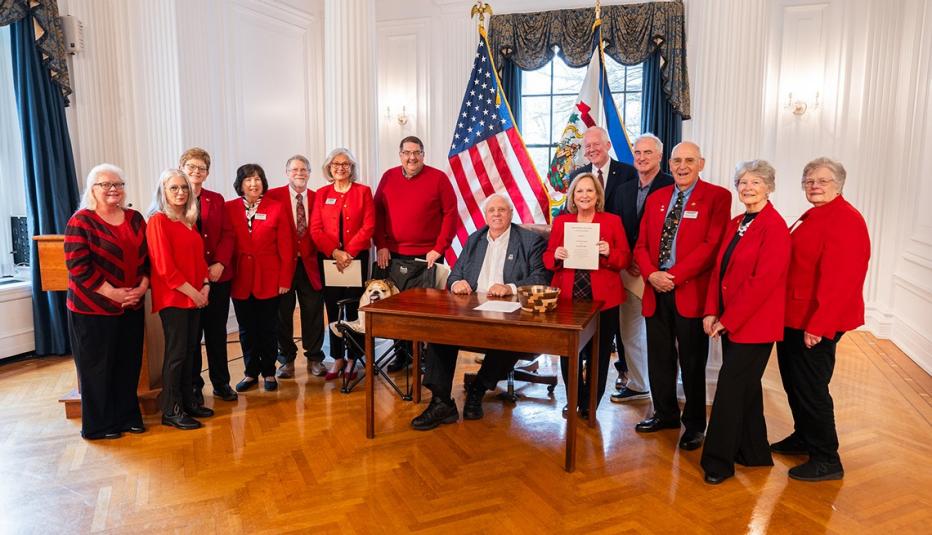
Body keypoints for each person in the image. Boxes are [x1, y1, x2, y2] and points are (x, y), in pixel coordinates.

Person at [411, 195, 550, 430]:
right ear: (486, 216)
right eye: (492, 211)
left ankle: (478, 387)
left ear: (511, 214)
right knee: (440, 332)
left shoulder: (529, 241)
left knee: (511, 339)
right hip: (472, 311)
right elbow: (454, 275)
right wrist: (456, 284)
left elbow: (541, 278)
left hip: (511, 313)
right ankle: (441, 402)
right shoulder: (475, 239)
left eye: (502, 210)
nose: (496, 214)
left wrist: (509, 288)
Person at [772, 157, 870, 482]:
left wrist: (819, 325)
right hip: (793, 315)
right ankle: (804, 437)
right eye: (809, 180)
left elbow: (841, 280)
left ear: (838, 184)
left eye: (822, 181)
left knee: (811, 387)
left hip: (814, 321)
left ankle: (827, 458)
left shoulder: (845, 219)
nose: (814, 185)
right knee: (794, 383)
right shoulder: (813, 214)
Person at [632, 141, 731, 452]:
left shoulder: (717, 196)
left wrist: (672, 277)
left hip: (689, 291)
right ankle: (665, 414)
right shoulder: (658, 197)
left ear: (701, 163)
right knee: (659, 358)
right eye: (677, 161)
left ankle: (695, 425)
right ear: (669, 164)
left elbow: (711, 246)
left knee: (691, 362)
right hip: (654, 289)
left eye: (689, 160)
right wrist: (651, 274)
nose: (682, 166)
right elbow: (641, 245)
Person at [699, 160, 791, 484]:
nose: (748, 187)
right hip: (729, 320)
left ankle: (717, 462)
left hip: (755, 325)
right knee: (746, 388)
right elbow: (718, 270)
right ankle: (754, 453)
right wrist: (711, 310)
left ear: (769, 187)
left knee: (730, 390)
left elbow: (763, 282)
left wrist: (728, 318)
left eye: (755, 182)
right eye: (743, 182)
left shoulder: (775, 226)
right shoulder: (738, 221)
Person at [64, 164, 149, 440]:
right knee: (96, 367)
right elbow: (78, 266)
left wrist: (142, 288)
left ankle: (127, 416)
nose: (113, 189)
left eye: (118, 184)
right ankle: (99, 425)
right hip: (93, 309)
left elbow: (149, 259)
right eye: (105, 184)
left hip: (131, 305)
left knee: (128, 363)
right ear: (92, 189)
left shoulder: (136, 218)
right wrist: (112, 292)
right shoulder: (81, 221)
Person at [544, 173, 630, 418]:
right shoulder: (562, 222)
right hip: (569, 299)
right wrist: (557, 255)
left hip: (604, 301)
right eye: (579, 191)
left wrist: (609, 252)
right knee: (570, 353)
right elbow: (548, 259)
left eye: (589, 191)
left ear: (597, 195)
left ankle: (590, 403)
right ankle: (574, 400)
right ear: (572, 196)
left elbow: (625, 259)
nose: (584, 195)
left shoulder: (612, 221)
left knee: (599, 354)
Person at [374, 135, 457, 370]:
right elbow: (377, 212)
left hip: (428, 257)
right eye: (407, 153)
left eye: (417, 153)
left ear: (423, 155)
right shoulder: (388, 177)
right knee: (396, 308)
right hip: (393, 255)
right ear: (400, 155)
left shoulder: (439, 178)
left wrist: (438, 248)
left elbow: (450, 215)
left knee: (426, 311)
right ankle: (402, 354)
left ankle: (425, 358)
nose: (412, 157)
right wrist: (380, 244)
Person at [567, 127, 637, 389]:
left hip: (614, 257)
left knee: (614, 327)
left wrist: (619, 251)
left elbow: (631, 216)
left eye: (596, 144)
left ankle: (622, 369)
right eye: (587, 146)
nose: (592, 149)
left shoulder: (627, 172)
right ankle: (579, 385)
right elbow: (569, 219)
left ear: (608, 144)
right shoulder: (577, 174)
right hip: (579, 268)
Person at [611, 133, 674, 404]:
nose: (642, 157)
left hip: (663, 272)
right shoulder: (624, 189)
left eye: (648, 153)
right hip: (629, 271)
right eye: (638, 153)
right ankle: (638, 384)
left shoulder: (672, 186)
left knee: (665, 336)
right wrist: (629, 259)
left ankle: (668, 388)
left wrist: (646, 262)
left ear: (660, 157)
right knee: (629, 331)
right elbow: (616, 228)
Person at [147, 168, 212, 430]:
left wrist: (205, 286)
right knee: (176, 355)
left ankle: (188, 402)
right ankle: (171, 410)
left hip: (196, 295)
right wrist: (193, 292)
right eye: (174, 187)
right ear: (163, 191)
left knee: (190, 352)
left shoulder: (188, 220)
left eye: (184, 187)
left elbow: (199, 260)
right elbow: (164, 267)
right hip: (175, 298)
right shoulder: (157, 221)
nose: (180, 192)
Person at [226, 164, 295, 392]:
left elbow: (287, 247)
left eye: (257, 179)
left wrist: (285, 279)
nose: (253, 184)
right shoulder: (229, 208)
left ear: (263, 182)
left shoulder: (276, 208)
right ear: (240, 184)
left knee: (268, 328)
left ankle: (269, 372)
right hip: (240, 279)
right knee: (246, 330)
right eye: (248, 180)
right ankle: (250, 373)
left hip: (269, 278)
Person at [309, 148, 375, 380]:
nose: (340, 167)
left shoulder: (363, 192)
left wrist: (349, 252)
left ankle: (353, 359)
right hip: (329, 260)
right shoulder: (321, 193)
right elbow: (315, 229)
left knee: (354, 308)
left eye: (345, 164)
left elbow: (369, 226)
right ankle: (337, 358)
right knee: (334, 309)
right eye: (336, 164)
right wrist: (335, 252)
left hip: (356, 258)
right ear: (329, 168)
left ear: (351, 168)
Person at [179, 148, 238, 404]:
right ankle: (194, 386)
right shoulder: (174, 199)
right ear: (182, 168)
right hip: (188, 282)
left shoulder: (216, 199)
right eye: (191, 167)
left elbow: (227, 234)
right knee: (192, 337)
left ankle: (221, 382)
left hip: (217, 278)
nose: (196, 172)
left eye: (201, 168)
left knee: (216, 333)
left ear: (207, 172)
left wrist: (220, 263)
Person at [265, 155, 326, 379]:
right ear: (287, 172)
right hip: (283, 266)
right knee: (282, 314)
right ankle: (286, 359)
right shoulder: (272, 197)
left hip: (311, 265)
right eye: (295, 169)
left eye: (304, 169)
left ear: (310, 172)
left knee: (313, 312)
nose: (299, 173)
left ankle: (315, 358)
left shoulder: (318, 197)